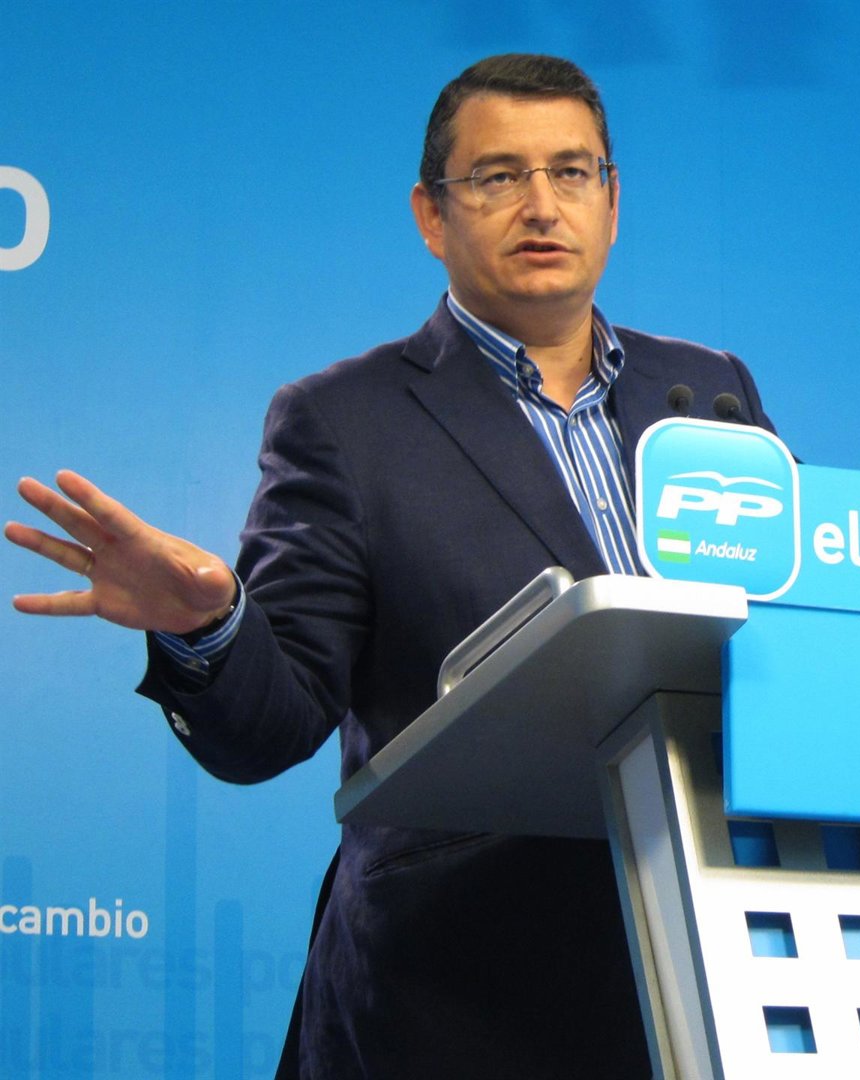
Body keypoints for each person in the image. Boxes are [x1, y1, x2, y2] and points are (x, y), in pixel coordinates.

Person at [6, 54, 775, 1078]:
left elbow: (785, 630)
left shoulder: (710, 393)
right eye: (497, 176)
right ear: (431, 215)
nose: (542, 205)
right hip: (453, 994)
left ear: (613, 199)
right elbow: (274, 722)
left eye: (571, 171)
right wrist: (207, 626)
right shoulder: (344, 421)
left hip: (717, 962)